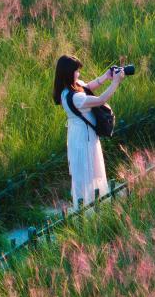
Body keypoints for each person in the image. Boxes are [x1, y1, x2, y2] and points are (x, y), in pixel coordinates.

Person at [52, 54, 123, 206]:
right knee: (87, 170)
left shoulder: (69, 88)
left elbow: (88, 87)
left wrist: (106, 76)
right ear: (68, 73)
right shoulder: (74, 97)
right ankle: (89, 205)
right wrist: (115, 82)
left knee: (89, 168)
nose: (79, 74)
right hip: (83, 138)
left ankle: (91, 202)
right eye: (76, 71)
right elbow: (100, 100)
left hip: (80, 134)